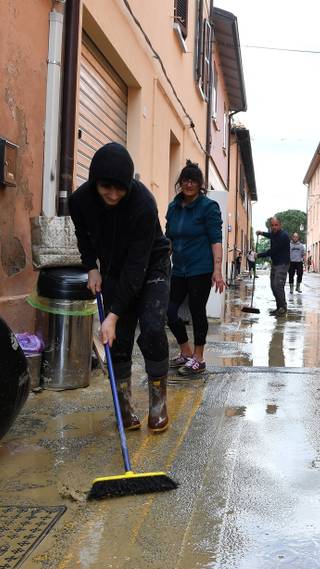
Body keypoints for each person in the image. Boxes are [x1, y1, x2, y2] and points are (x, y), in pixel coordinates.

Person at [69, 142, 171, 432]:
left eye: (120, 189)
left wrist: (112, 315)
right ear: (94, 181)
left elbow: (137, 266)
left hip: (152, 264)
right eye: (106, 188)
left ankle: (157, 403)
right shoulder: (80, 201)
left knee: (151, 327)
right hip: (113, 266)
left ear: (129, 185)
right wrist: (91, 267)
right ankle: (124, 405)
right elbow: (83, 235)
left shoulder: (143, 204)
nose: (113, 195)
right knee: (118, 340)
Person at [165, 160, 226, 377]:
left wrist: (217, 270)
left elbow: (215, 240)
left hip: (201, 268)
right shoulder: (173, 207)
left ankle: (199, 359)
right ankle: (186, 351)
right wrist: (160, 263)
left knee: (197, 311)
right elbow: (169, 239)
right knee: (170, 311)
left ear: (200, 184)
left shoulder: (208, 207)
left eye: (193, 180)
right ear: (180, 182)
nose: (189, 184)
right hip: (179, 269)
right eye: (185, 180)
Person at [256, 217, 291, 315]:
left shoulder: (283, 236)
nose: (274, 227)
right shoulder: (274, 234)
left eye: (276, 225)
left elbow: (272, 251)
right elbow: (270, 235)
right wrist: (261, 233)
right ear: (270, 226)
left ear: (280, 225)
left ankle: (283, 308)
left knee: (278, 285)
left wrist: (258, 255)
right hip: (275, 263)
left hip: (282, 264)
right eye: (272, 225)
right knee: (273, 286)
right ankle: (279, 307)